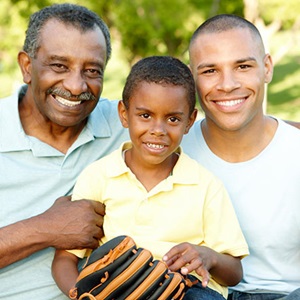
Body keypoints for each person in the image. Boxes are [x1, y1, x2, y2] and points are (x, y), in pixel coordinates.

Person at [51, 55, 249, 300]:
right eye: (145, 115)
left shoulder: (206, 185)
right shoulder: (99, 176)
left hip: (188, 291)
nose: (158, 130)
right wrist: (82, 295)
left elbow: (234, 272)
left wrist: (208, 257)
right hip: (121, 292)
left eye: (173, 119)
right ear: (124, 114)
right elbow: (64, 260)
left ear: (189, 121)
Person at [0, 3, 129, 299]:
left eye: (92, 70)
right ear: (27, 67)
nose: (75, 86)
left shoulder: (127, 125)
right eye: (59, 66)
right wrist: (46, 228)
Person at [181, 14, 300, 299]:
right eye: (210, 71)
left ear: (267, 68)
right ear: (191, 77)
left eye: (243, 66)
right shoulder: (170, 153)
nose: (227, 84)